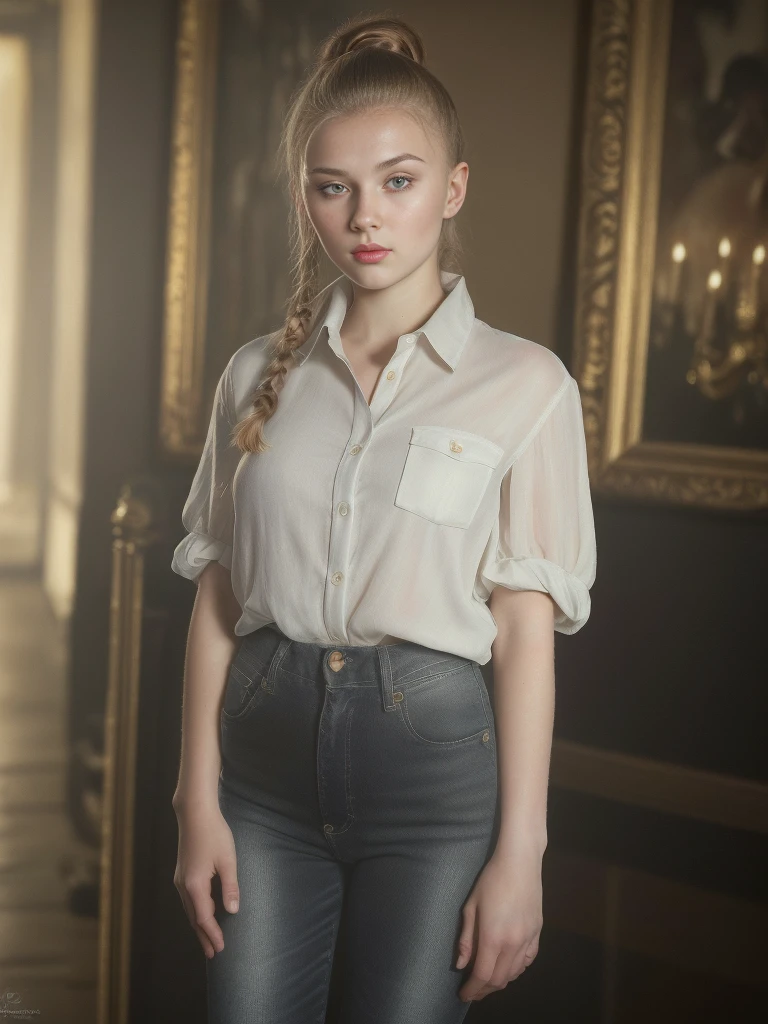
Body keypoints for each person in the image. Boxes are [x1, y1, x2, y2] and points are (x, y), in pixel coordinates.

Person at [170, 13, 597, 1024]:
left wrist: (521, 856)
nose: (368, 215)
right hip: (260, 777)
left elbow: (527, 632)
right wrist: (195, 798)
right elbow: (221, 598)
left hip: (435, 780)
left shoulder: (525, 384)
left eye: (399, 181)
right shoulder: (250, 379)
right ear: (306, 198)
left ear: (451, 189)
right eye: (335, 187)